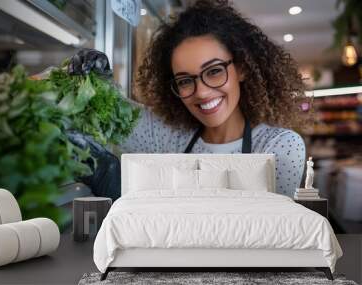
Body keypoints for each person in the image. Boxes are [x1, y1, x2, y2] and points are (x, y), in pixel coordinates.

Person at [72, 0, 307, 198]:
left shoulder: (280, 146)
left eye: (214, 71)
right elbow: (110, 112)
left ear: (242, 68)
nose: (202, 92)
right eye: (185, 80)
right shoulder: (165, 136)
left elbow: (267, 230)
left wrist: (118, 186)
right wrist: (96, 82)